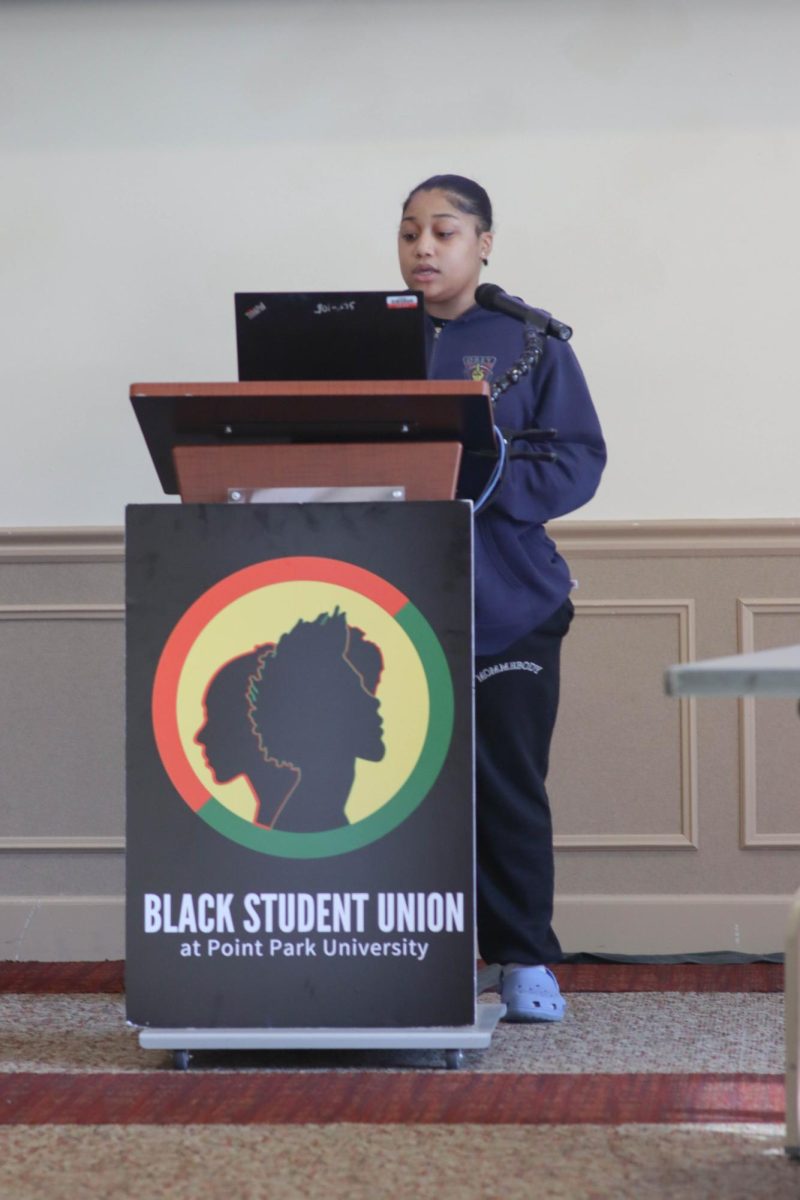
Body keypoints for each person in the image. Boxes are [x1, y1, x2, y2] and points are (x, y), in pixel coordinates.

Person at [397, 174, 606, 1022]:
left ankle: (523, 960)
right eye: (409, 232)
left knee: (506, 783)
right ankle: (404, 955)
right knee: (391, 787)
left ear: (483, 243)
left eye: (443, 231)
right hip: (381, 605)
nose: (422, 248)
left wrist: (475, 480)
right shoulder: (362, 340)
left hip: (507, 602)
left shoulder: (530, 342)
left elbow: (574, 460)